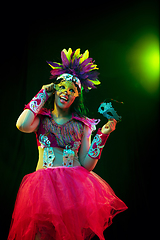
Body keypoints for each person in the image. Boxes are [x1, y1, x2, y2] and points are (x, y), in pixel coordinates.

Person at [8, 48, 128, 240]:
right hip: (43, 190)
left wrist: (102, 136)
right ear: (54, 89)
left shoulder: (84, 125)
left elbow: (87, 165)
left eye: (72, 90)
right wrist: (43, 91)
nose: (66, 92)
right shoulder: (40, 119)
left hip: (73, 191)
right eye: (62, 87)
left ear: (76, 96)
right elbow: (21, 125)